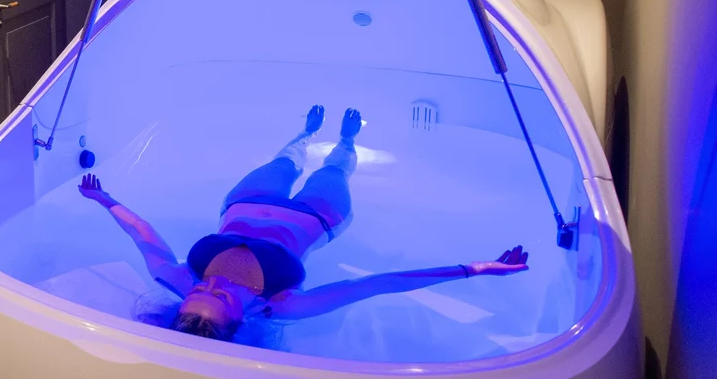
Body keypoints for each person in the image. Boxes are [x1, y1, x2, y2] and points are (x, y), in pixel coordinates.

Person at [78, 105, 529, 342]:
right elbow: (377, 284)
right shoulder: (283, 305)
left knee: (282, 161)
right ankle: (347, 140)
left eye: (199, 291)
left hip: (246, 202)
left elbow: (142, 232)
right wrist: (473, 269)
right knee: (335, 171)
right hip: (317, 217)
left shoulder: (177, 278)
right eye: (222, 296)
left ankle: (306, 134)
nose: (211, 285)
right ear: (242, 316)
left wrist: (104, 199)